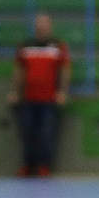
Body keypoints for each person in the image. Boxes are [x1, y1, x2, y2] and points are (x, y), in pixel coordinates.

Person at [9, 13, 70, 177]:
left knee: (46, 134)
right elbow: (19, 71)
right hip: (28, 99)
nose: (41, 26)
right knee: (27, 133)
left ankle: (44, 166)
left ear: (50, 26)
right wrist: (15, 92)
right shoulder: (25, 46)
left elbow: (64, 70)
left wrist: (62, 92)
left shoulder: (58, 46)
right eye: (39, 23)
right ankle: (28, 165)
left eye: (44, 23)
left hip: (49, 100)